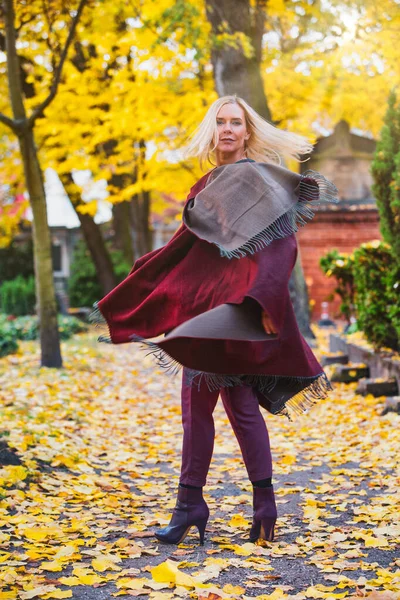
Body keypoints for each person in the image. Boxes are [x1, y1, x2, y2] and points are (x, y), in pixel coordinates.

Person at [90, 95, 339, 546]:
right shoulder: (205, 184)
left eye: (235, 123)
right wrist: (146, 274)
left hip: (236, 314)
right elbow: (186, 249)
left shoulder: (256, 178)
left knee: (221, 409)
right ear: (213, 130)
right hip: (205, 313)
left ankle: (197, 506)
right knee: (214, 410)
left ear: (247, 132)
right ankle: (253, 508)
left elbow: (281, 247)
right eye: (220, 122)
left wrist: (263, 303)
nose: (227, 129)